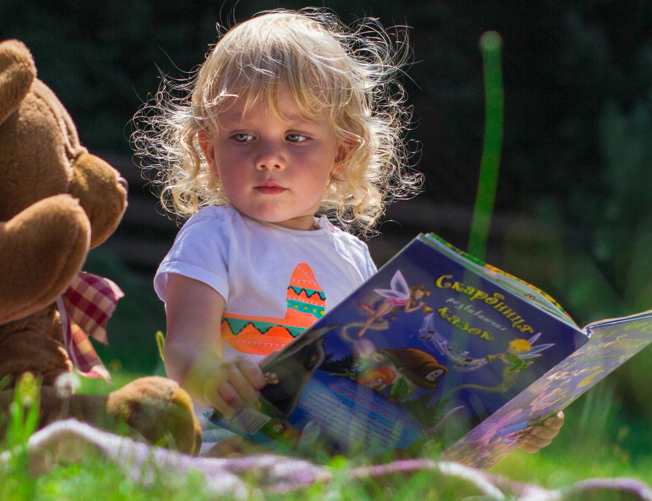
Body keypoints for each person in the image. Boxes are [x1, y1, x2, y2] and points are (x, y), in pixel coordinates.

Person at [138, 8, 563, 455]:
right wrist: (211, 376)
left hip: (333, 450)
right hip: (231, 437)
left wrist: (512, 422)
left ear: (341, 153)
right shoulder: (214, 235)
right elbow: (185, 346)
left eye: (296, 137)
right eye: (242, 136)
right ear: (209, 149)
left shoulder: (352, 257)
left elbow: (373, 368)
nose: (269, 157)